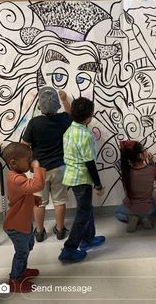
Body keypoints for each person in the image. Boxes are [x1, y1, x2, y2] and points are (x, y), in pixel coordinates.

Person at [58, 97, 105, 263]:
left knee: (86, 209)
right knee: (83, 215)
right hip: (81, 179)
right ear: (88, 117)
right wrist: (98, 184)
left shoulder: (69, 130)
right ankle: (69, 250)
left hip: (72, 176)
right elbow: (90, 162)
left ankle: (88, 239)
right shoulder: (85, 135)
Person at [22, 86, 72, 242]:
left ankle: (39, 231)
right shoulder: (63, 119)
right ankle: (60, 229)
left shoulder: (34, 123)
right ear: (57, 105)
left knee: (39, 203)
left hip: (39, 169)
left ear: (39, 106)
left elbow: (24, 145)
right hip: (60, 167)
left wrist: (30, 163)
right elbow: (72, 115)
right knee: (60, 201)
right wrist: (65, 100)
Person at [3, 143, 46, 293]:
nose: (30, 162)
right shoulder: (15, 179)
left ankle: (22, 271)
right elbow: (38, 185)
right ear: (14, 162)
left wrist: (33, 198)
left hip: (24, 223)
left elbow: (20, 196)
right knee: (21, 253)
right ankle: (14, 280)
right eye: (27, 160)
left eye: (31, 159)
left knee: (28, 247)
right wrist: (36, 167)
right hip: (16, 225)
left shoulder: (18, 176)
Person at [115, 141, 156, 232]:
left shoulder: (126, 173)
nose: (146, 151)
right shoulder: (151, 169)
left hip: (131, 208)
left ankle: (132, 218)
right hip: (148, 209)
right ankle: (145, 218)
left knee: (117, 212)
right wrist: (151, 161)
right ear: (140, 156)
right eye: (144, 150)